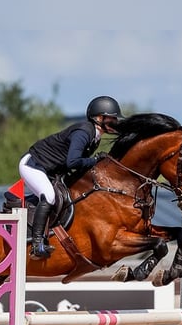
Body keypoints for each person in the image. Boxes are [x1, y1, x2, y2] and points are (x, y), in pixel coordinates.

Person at [18, 95, 123, 259]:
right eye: (112, 119)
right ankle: (37, 244)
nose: (115, 122)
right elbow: (73, 162)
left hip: (52, 170)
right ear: (99, 118)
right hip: (33, 165)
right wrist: (95, 160)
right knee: (50, 196)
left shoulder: (94, 137)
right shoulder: (83, 132)